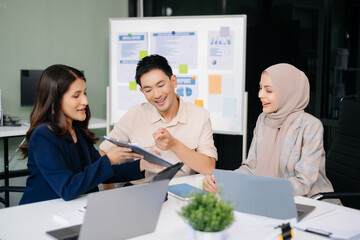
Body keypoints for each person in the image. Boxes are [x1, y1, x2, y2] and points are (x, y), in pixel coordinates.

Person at [19, 64, 154, 205]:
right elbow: (67, 188)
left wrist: (142, 165)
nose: (85, 101)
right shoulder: (43, 135)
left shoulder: (77, 130)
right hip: (41, 212)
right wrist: (108, 160)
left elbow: (103, 174)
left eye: (85, 93)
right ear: (56, 99)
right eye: (76, 95)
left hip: (74, 207)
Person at [203, 63, 336, 200]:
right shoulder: (263, 120)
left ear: (287, 92)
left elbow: (303, 183)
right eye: (260, 88)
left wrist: (259, 190)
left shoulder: (310, 126)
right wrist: (224, 181)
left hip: (312, 202)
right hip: (270, 199)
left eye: (269, 90)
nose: (260, 95)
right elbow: (251, 168)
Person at [100, 54, 217, 187]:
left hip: (180, 192)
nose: (156, 95)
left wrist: (173, 144)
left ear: (173, 81)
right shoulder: (134, 115)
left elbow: (209, 168)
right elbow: (103, 154)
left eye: (161, 85)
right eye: (148, 90)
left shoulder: (200, 116)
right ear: (142, 91)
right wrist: (109, 191)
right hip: (140, 193)